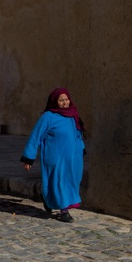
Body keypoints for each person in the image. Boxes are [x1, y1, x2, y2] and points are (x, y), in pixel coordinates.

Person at [21, 87, 86, 222]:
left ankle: (48, 198)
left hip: (74, 158)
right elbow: (35, 137)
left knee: (72, 181)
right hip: (56, 157)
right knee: (60, 181)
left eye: (66, 99)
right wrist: (28, 157)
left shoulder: (73, 115)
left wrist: (82, 149)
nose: (65, 103)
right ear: (54, 101)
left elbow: (78, 135)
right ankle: (64, 211)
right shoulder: (48, 117)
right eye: (61, 100)